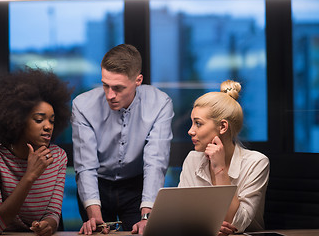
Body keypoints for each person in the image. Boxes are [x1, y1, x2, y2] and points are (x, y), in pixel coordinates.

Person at [71, 44, 174, 234]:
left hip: (136, 186)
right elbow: (85, 165)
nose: (110, 95)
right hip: (97, 184)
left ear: (138, 80)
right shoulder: (82, 106)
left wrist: (146, 216)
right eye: (105, 85)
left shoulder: (160, 104)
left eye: (118, 88)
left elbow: (155, 162)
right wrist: (94, 214)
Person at [0, 68, 72, 236]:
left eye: (52, 121)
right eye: (39, 120)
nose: (48, 126)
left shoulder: (57, 156)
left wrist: (48, 225)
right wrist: (29, 176)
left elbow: (53, 214)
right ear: (17, 119)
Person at [178, 80, 270, 236]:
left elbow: (235, 225)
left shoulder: (257, 163)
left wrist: (219, 169)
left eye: (198, 124)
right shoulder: (193, 158)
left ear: (222, 127)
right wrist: (207, 226)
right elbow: (181, 214)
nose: (190, 131)